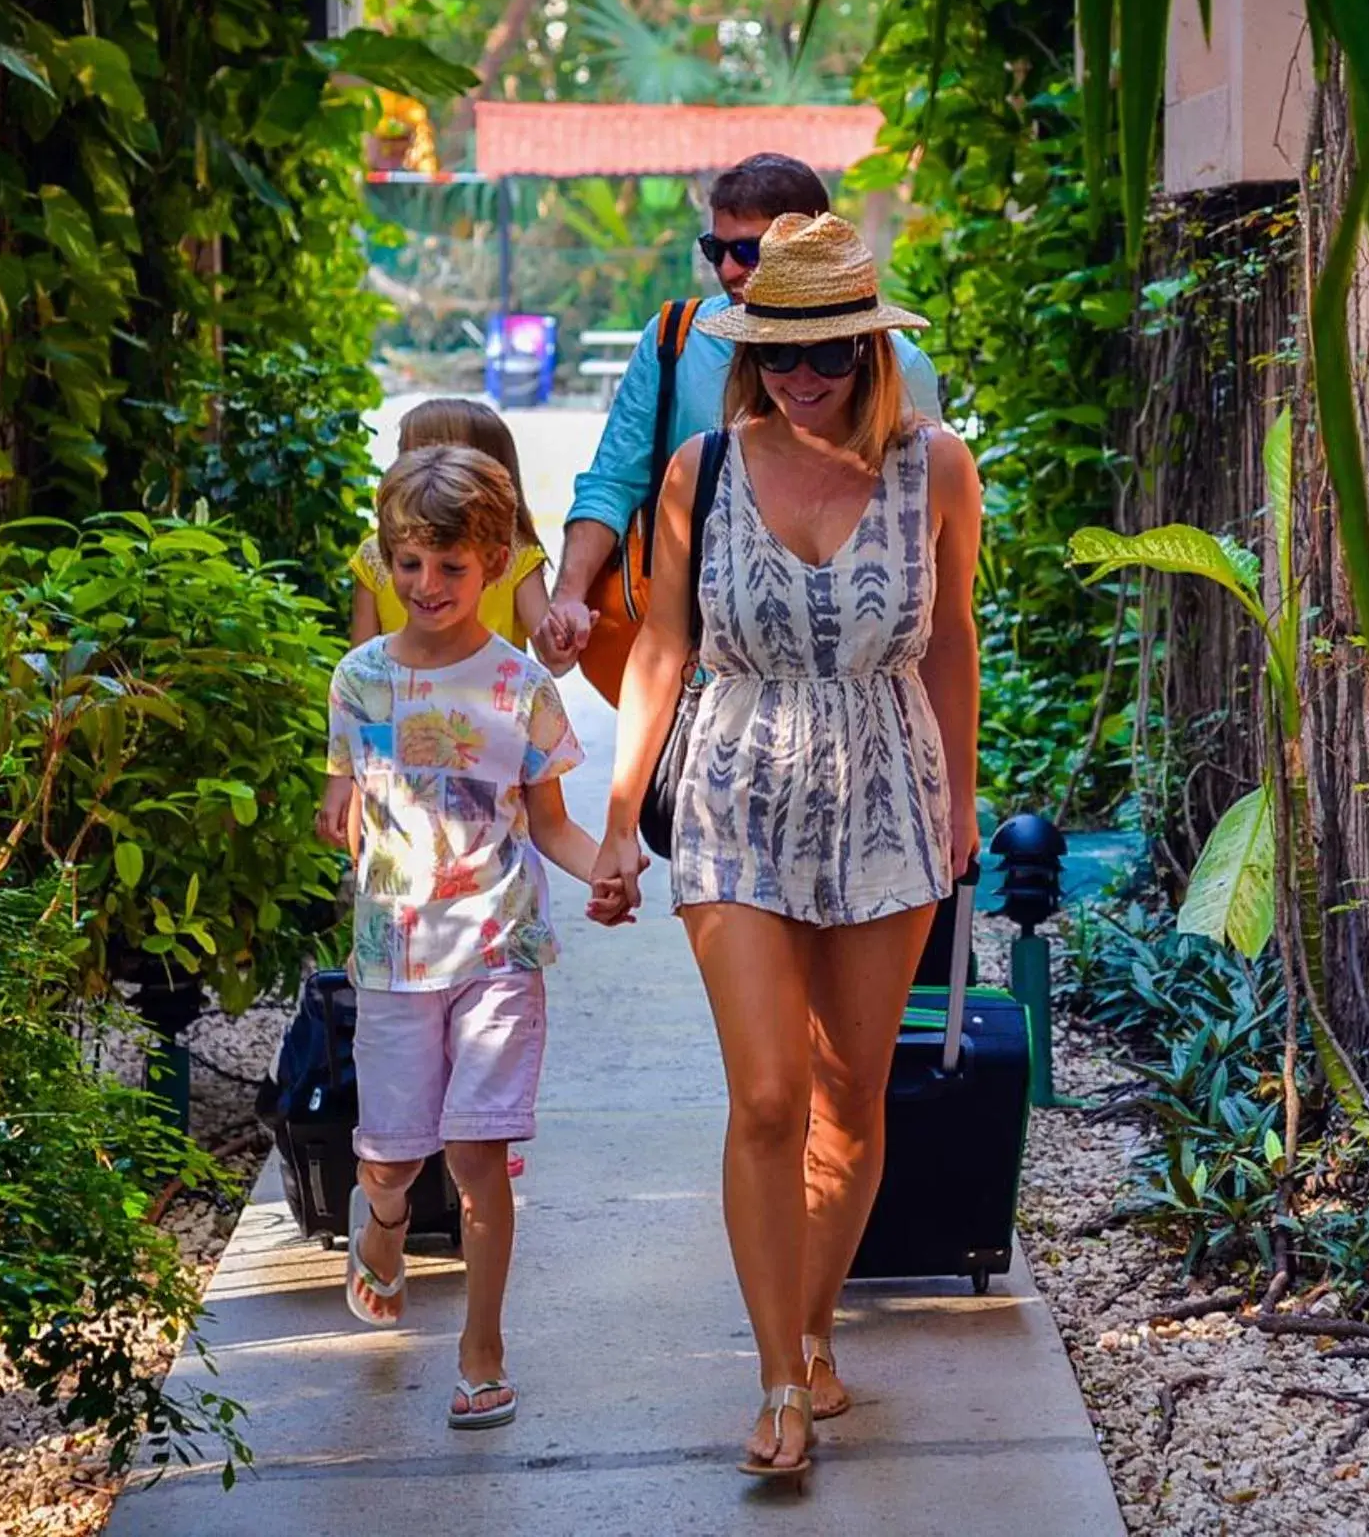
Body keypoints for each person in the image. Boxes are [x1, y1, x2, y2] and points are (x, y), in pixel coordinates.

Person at [587, 213, 983, 1480]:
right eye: (779, 358)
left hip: (888, 795)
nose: (801, 380)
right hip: (735, 795)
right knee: (766, 1094)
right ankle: (774, 1385)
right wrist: (615, 823)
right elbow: (658, 646)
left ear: (871, 351)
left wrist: (959, 801)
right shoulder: (703, 467)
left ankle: (814, 1331)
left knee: (851, 1098)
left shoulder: (939, 469)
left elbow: (955, 641)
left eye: (827, 357)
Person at [315, 445, 624, 1430]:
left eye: (452, 567)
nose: (428, 585)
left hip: (499, 946)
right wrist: (342, 811)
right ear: (385, 561)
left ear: (494, 565)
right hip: (396, 958)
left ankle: (480, 1346)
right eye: (409, 564)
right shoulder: (359, 682)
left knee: (475, 1150)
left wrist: (604, 871)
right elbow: (342, 799)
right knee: (391, 1158)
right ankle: (387, 1224)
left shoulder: (520, 689)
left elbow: (553, 822)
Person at [534, 154, 944, 670]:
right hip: (698, 659)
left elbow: (928, 550)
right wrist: (568, 595)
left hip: (856, 655)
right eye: (716, 249)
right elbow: (613, 481)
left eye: (749, 250)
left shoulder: (900, 369)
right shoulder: (675, 343)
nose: (728, 269)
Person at [352, 398, 562, 668]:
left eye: (414, 454)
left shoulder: (517, 555)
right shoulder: (374, 555)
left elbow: (554, 659)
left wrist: (563, 638)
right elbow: (360, 667)